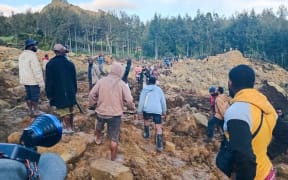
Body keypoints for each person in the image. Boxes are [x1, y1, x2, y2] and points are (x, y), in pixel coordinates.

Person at [217, 64, 278, 180]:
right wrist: (265, 154)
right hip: (268, 172)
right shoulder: (266, 106)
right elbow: (284, 134)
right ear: (252, 83)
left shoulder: (236, 112)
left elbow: (244, 157)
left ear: (230, 83)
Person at [88, 63, 135, 161]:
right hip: (115, 115)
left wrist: (94, 104)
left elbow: (92, 94)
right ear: (120, 72)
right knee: (114, 138)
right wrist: (131, 108)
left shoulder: (101, 81)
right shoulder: (122, 84)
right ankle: (113, 159)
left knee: (99, 126)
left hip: (100, 112)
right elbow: (129, 100)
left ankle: (98, 139)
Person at [45, 44, 77, 134]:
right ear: (62, 52)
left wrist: (49, 94)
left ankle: (68, 128)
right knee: (70, 109)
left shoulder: (50, 64)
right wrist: (74, 90)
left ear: (55, 52)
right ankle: (71, 127)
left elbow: (49, 81)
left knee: (64, 110)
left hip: (59, 92)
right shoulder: (70, 64)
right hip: (70, 90)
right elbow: (74, 79)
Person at [137, 76, 167, 152]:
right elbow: (163, 101)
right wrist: (164, 110)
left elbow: (141, 101)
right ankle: (159, 146)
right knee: (158, 127)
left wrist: (139, 111)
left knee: (146, 121)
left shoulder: (145, 89)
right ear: (155, 82)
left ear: (148, 82)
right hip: (157, 109)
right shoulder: (159, 89)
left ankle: (147, 134)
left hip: (147, 109)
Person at [18, 39, 45, 117]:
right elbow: (36, 70)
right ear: (30, 46)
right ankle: (36, 111)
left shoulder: (22, 55)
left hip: (25, 80)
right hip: (33, 81)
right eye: (35, 45)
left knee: (29, 96)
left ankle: (30, 111)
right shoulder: (32, 55)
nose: (36, 47)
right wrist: (41, 82)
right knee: (35, 97)